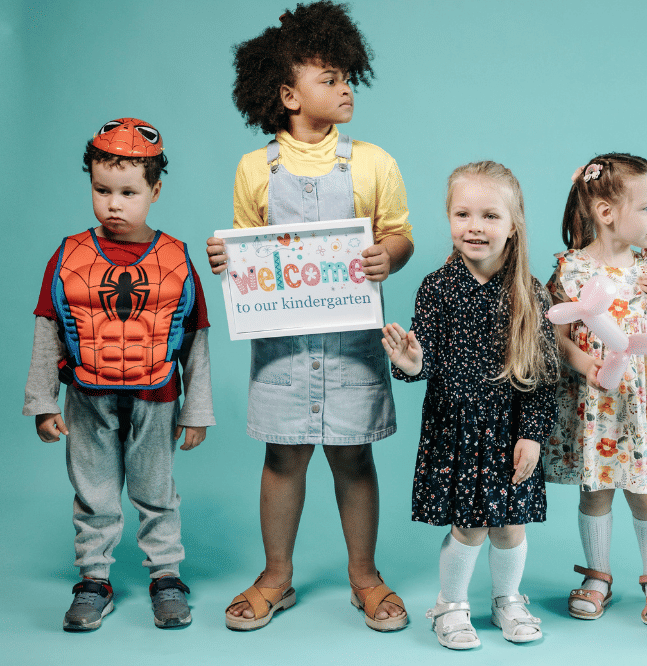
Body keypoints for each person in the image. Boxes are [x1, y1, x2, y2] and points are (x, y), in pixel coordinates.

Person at [205, 1, 414, 632]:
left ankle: (365, 576)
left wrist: (388, 255)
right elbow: (248, 254)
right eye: (330, 78)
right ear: (289, 94)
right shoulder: (255, 169)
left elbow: (400, 234)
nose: (347, 86)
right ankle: (277, 577)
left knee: (353, 457)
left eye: (349, 75)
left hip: (354, 342)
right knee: (282, 456)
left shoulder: (374, 162)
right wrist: (226, 257)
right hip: (283, 348)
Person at [23, 118, 214, 631]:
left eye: (128, 192)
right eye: (102, 189)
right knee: (94, 491)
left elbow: (195, 336)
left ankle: (166, 577)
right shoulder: (69, 256)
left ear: (155, 190)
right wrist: (42, 401)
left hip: (158, 394)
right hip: (88, 394)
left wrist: (197, 410)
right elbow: (48, 329)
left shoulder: (176, 257)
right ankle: (93, 579)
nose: (113, 204)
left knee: (156, 488)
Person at [382, 161, 558, 649]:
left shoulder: (531, 293)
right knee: (470, 524)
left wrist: (533, 434)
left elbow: (542, 377)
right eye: (462, 214)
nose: (474, 227)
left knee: (509, 523)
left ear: (513, 225)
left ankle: (508, 600)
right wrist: (413, 362)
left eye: (489, 216)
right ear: (448, 218)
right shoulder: (437, 288)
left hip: (509, 430)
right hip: (455, 428)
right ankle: (451, 604)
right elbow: (425, 363)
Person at [544, 154, 647, 627]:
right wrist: (586, 363)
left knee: (643, 491)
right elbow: (557, 335)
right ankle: (597, 575)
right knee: (596, 491)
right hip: (596, 402)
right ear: (606, 213)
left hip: (640, 403)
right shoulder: (571, 271)